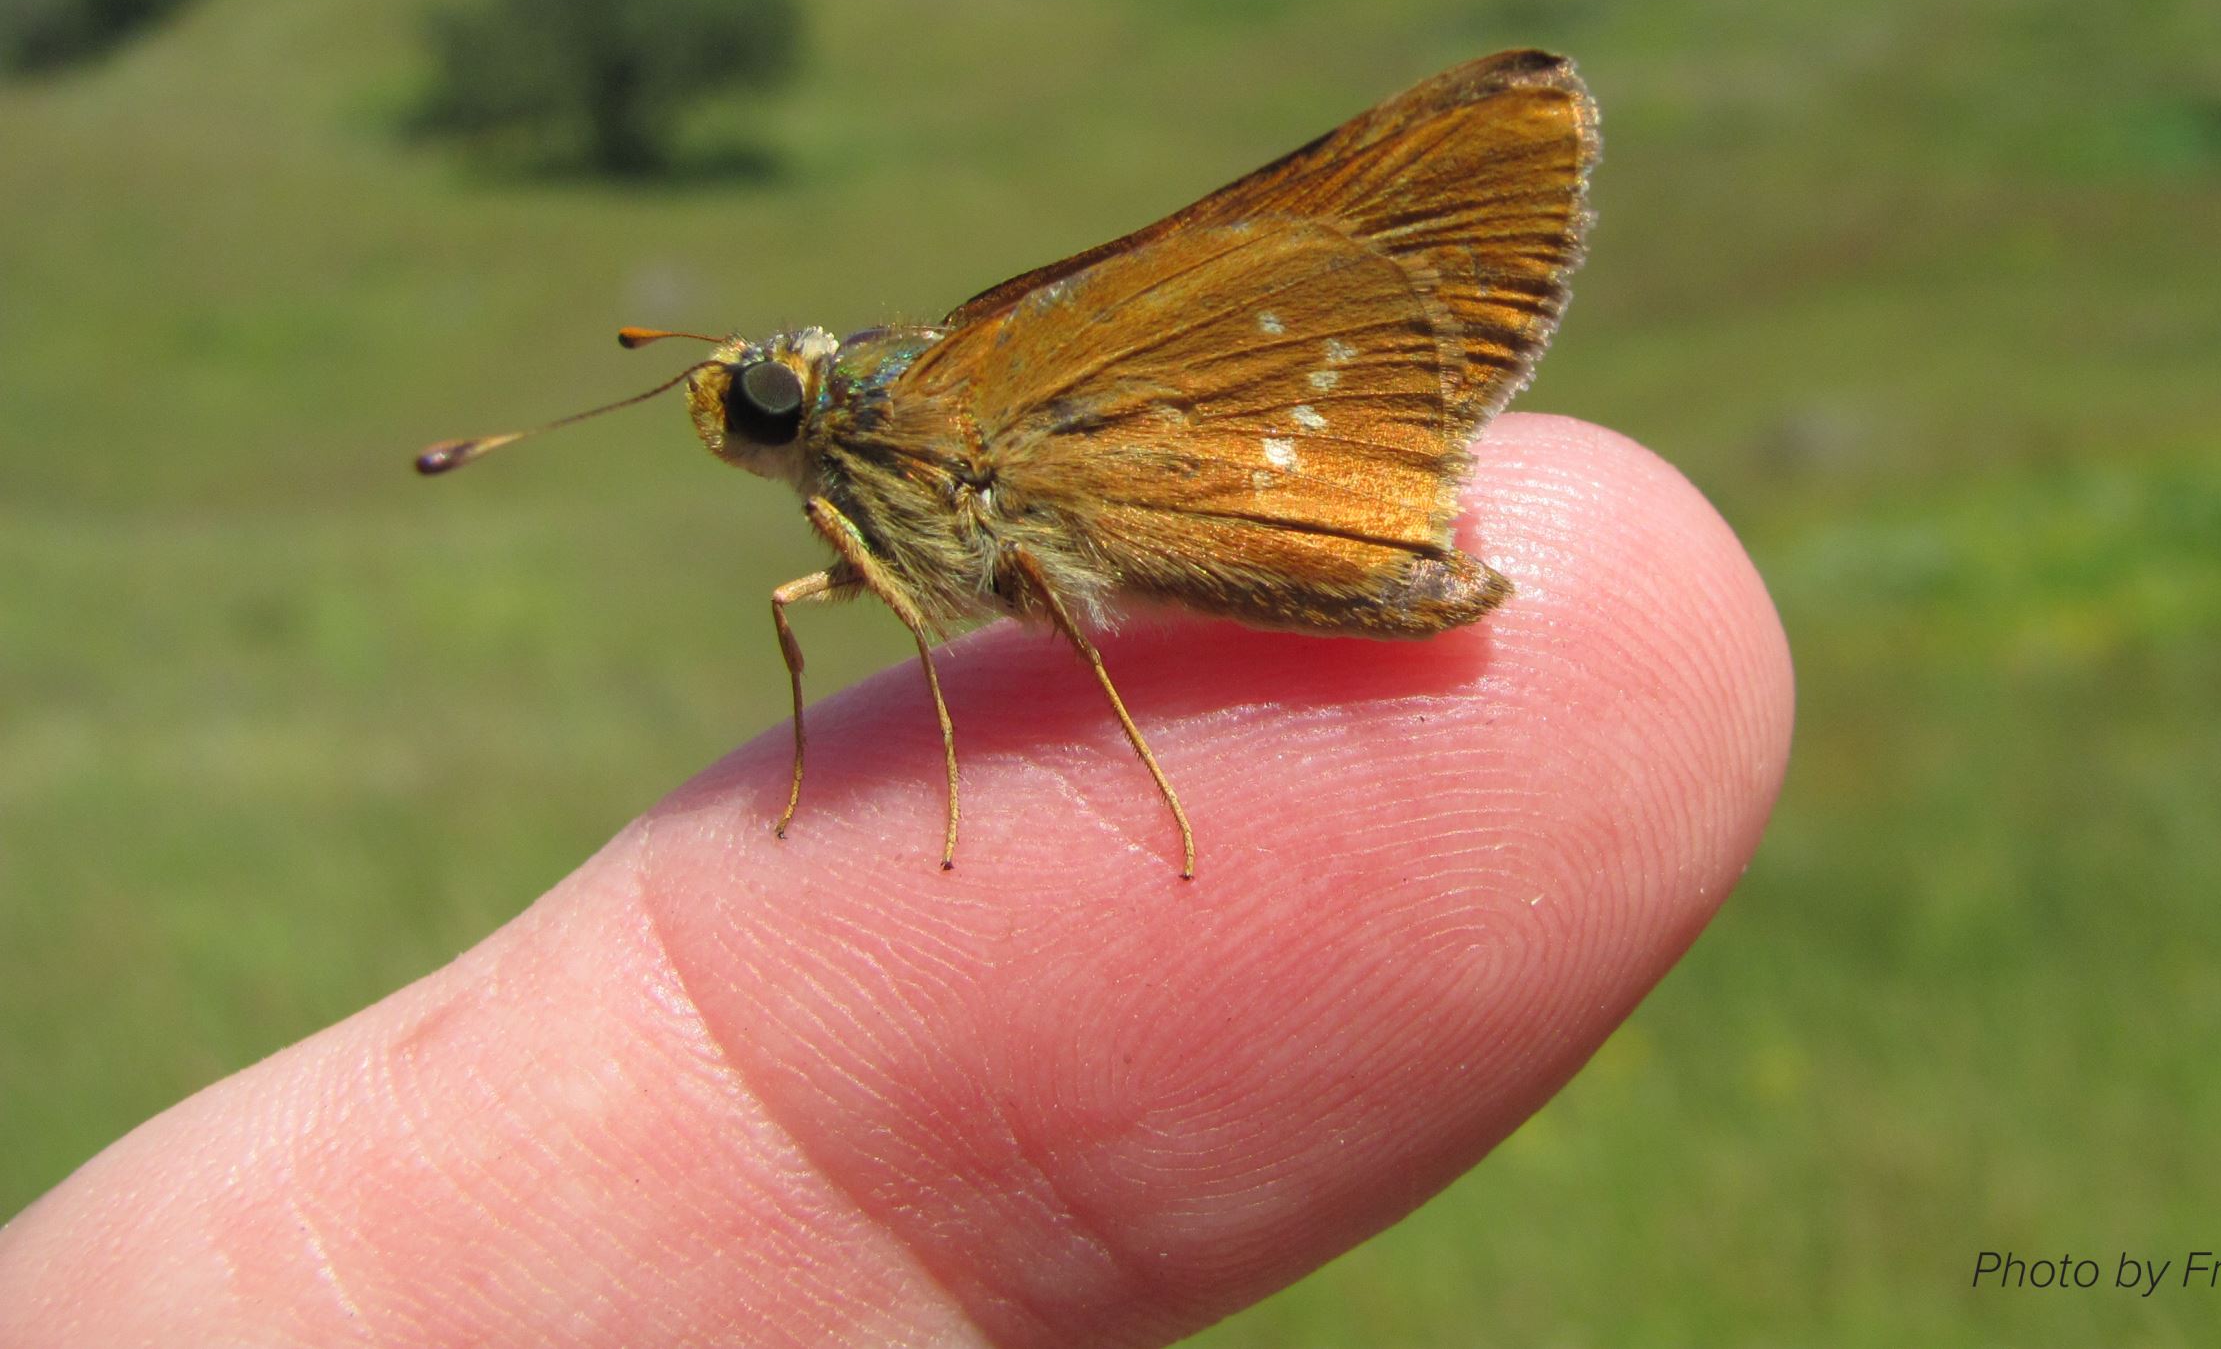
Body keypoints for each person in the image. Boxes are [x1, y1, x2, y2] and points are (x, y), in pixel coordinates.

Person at [0, 417, 1791, 1345]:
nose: (747, 441)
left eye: (757, 408)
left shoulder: (913, 446)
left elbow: (969, 591)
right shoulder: (842, 518)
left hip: (1282, 510)